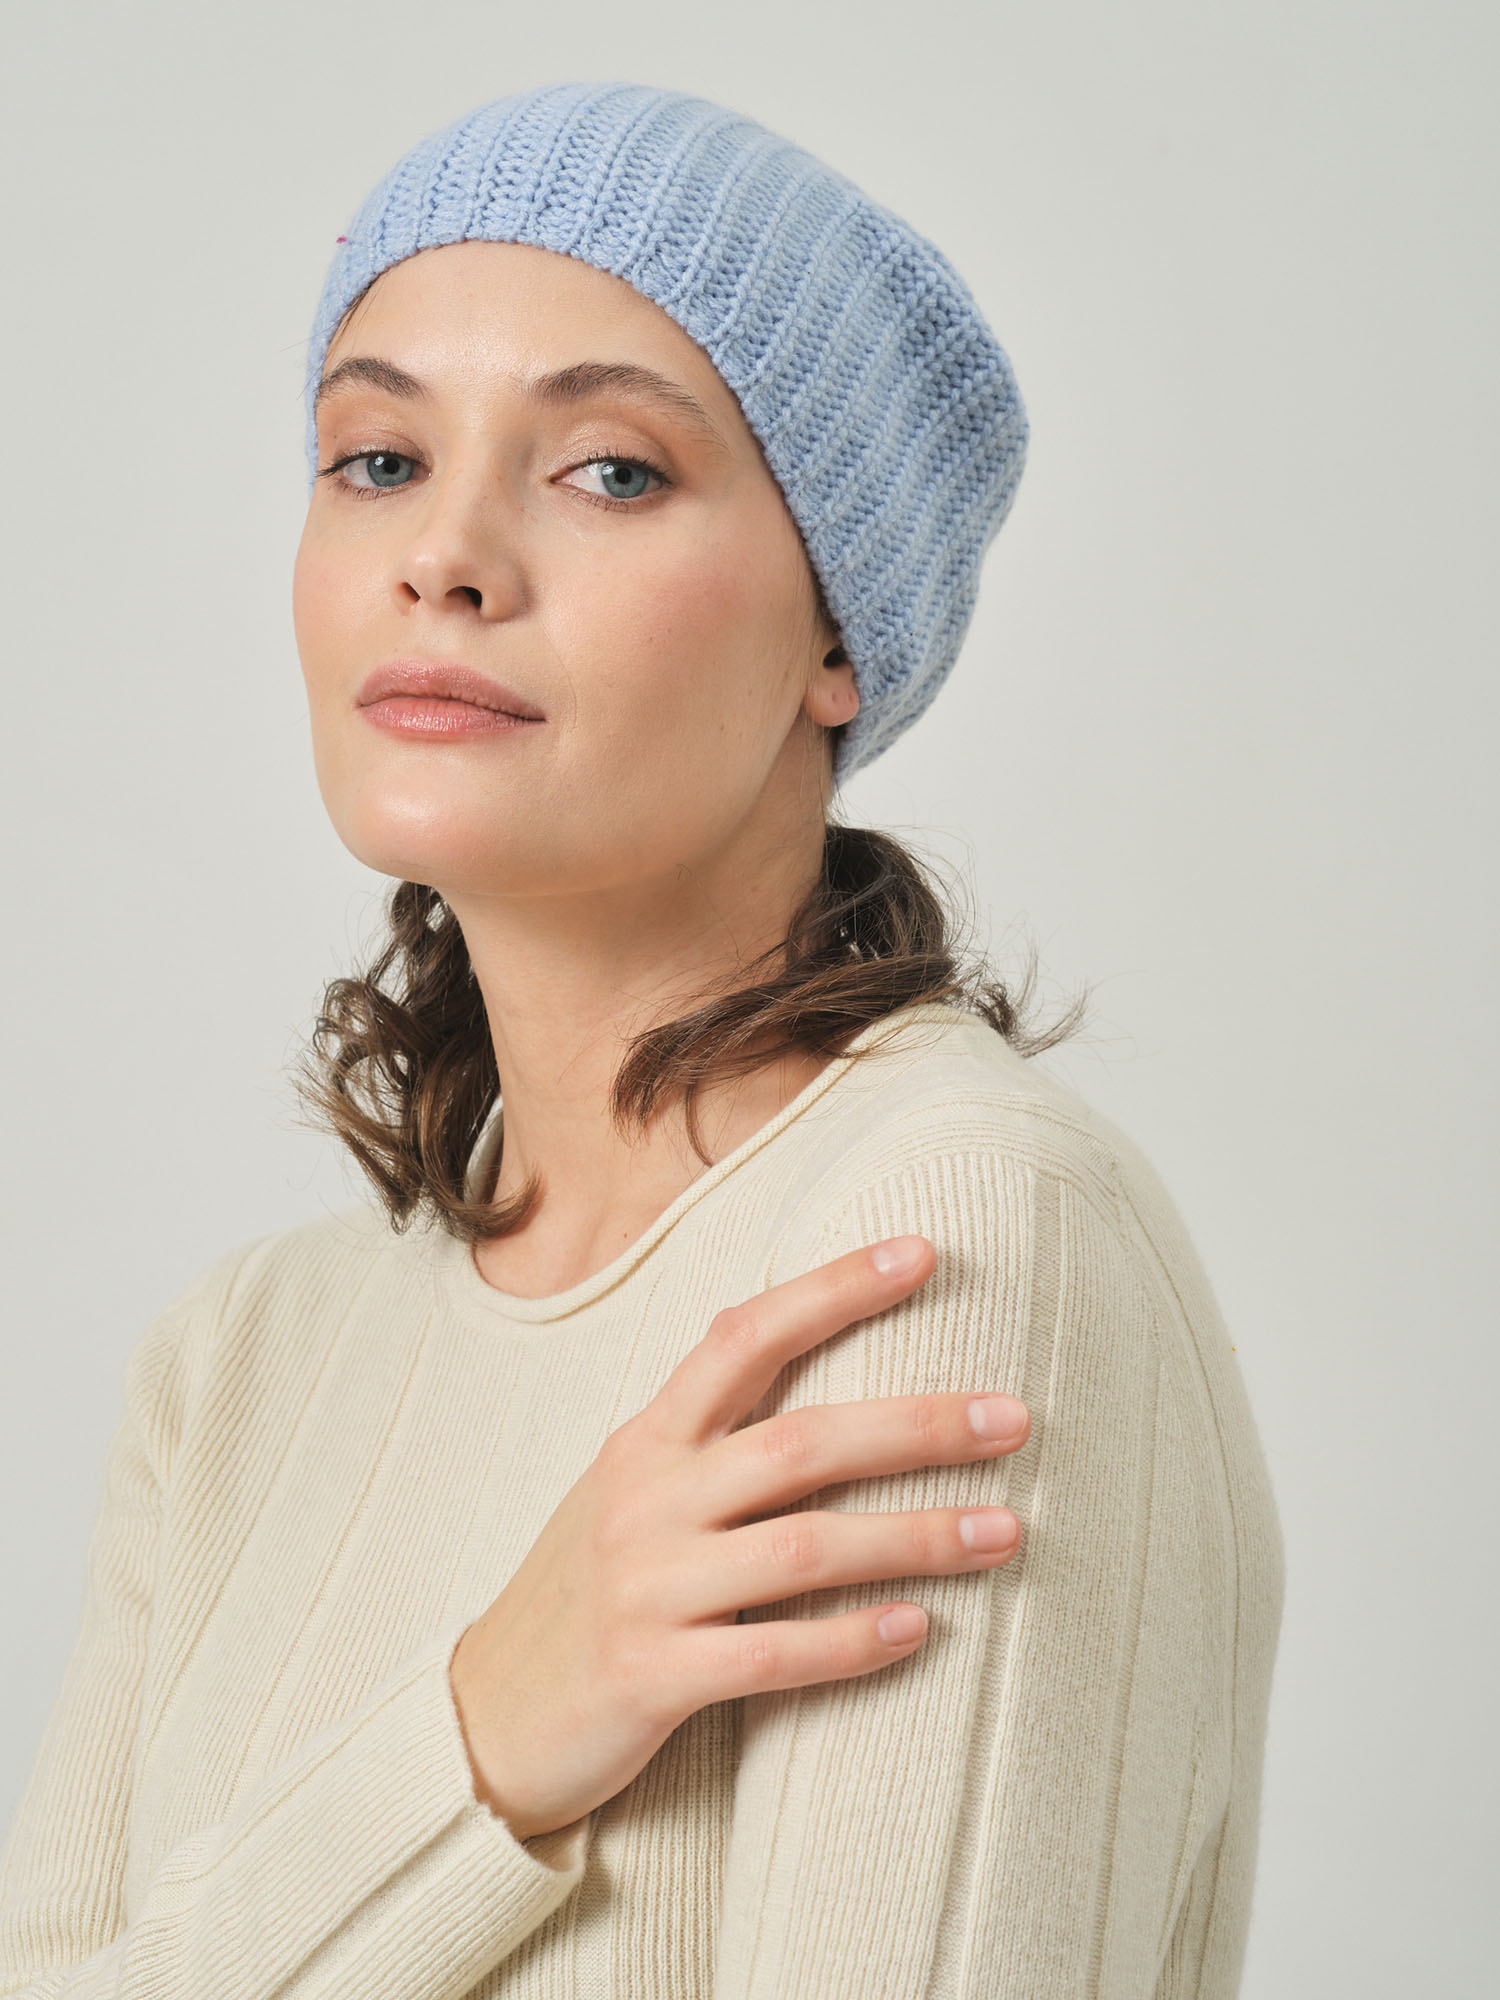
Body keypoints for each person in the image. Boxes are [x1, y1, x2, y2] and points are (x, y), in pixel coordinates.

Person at [0, 80, 1284, 1999]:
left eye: (609, 471)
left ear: (835, 634)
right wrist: (478, 1744)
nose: (446, 555)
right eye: (376, 458)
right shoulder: (238, 1362)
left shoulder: (940, 1246)